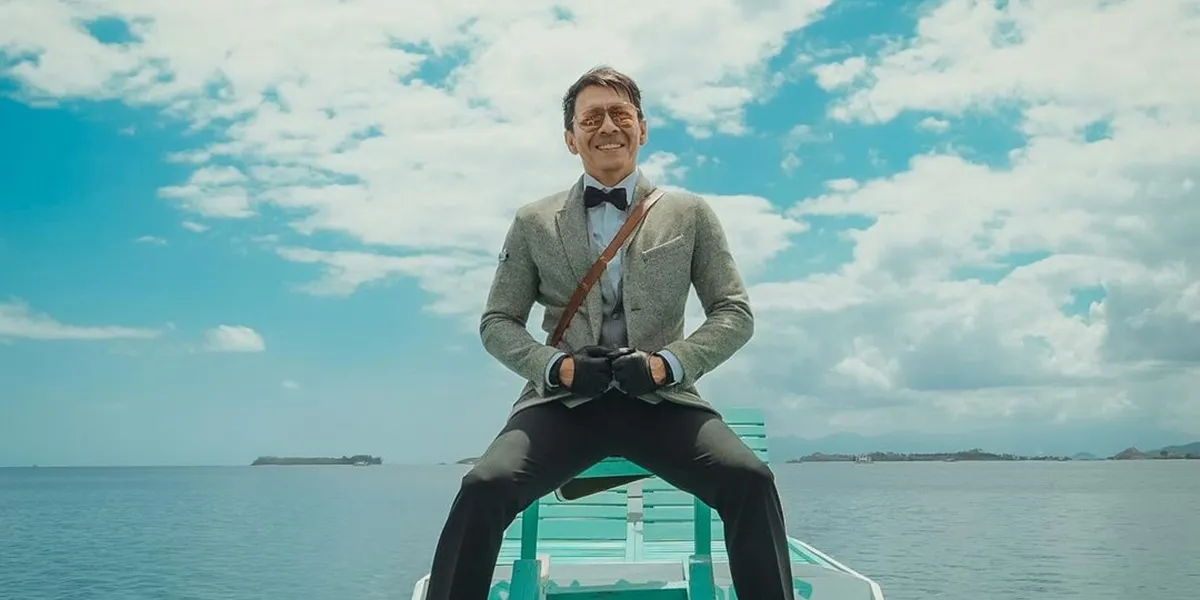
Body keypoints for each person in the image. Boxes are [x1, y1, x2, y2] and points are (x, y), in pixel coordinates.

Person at [422, 65, 797, 600]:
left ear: (642, 128)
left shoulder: (691, 214)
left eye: (620, 114)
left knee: (750, 480)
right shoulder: (533, 221)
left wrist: (667, 365)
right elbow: (497, 321)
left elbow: (734, 312)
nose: (607, 127)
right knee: (483, 485)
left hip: (661, 401)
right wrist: (558, 368)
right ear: (570, 138)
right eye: (591, 118)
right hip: (564, 404)